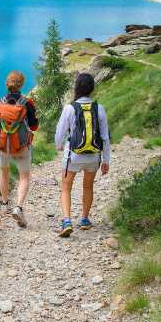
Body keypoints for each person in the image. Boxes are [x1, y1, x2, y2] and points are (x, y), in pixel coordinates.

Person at [54, 73, 111, 237]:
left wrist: (59, 146)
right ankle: (84, 219)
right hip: (93, 156)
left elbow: (60, 133)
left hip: (73, 156)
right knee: (88, 186)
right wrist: (106, 161)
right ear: (92, 89)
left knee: (66, 187)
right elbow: (105, 137)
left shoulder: (69, 108)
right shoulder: (99, 108)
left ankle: (66, 220)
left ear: (77, 87)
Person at [0, 70, 38, 228]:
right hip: (21, 146)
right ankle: (18, 207)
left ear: (7, 84)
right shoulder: (27, 103)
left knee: (4, 172)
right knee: (24, 176)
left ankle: (4, 204)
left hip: (3, 145)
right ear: (21, 84)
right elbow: (34, 126)